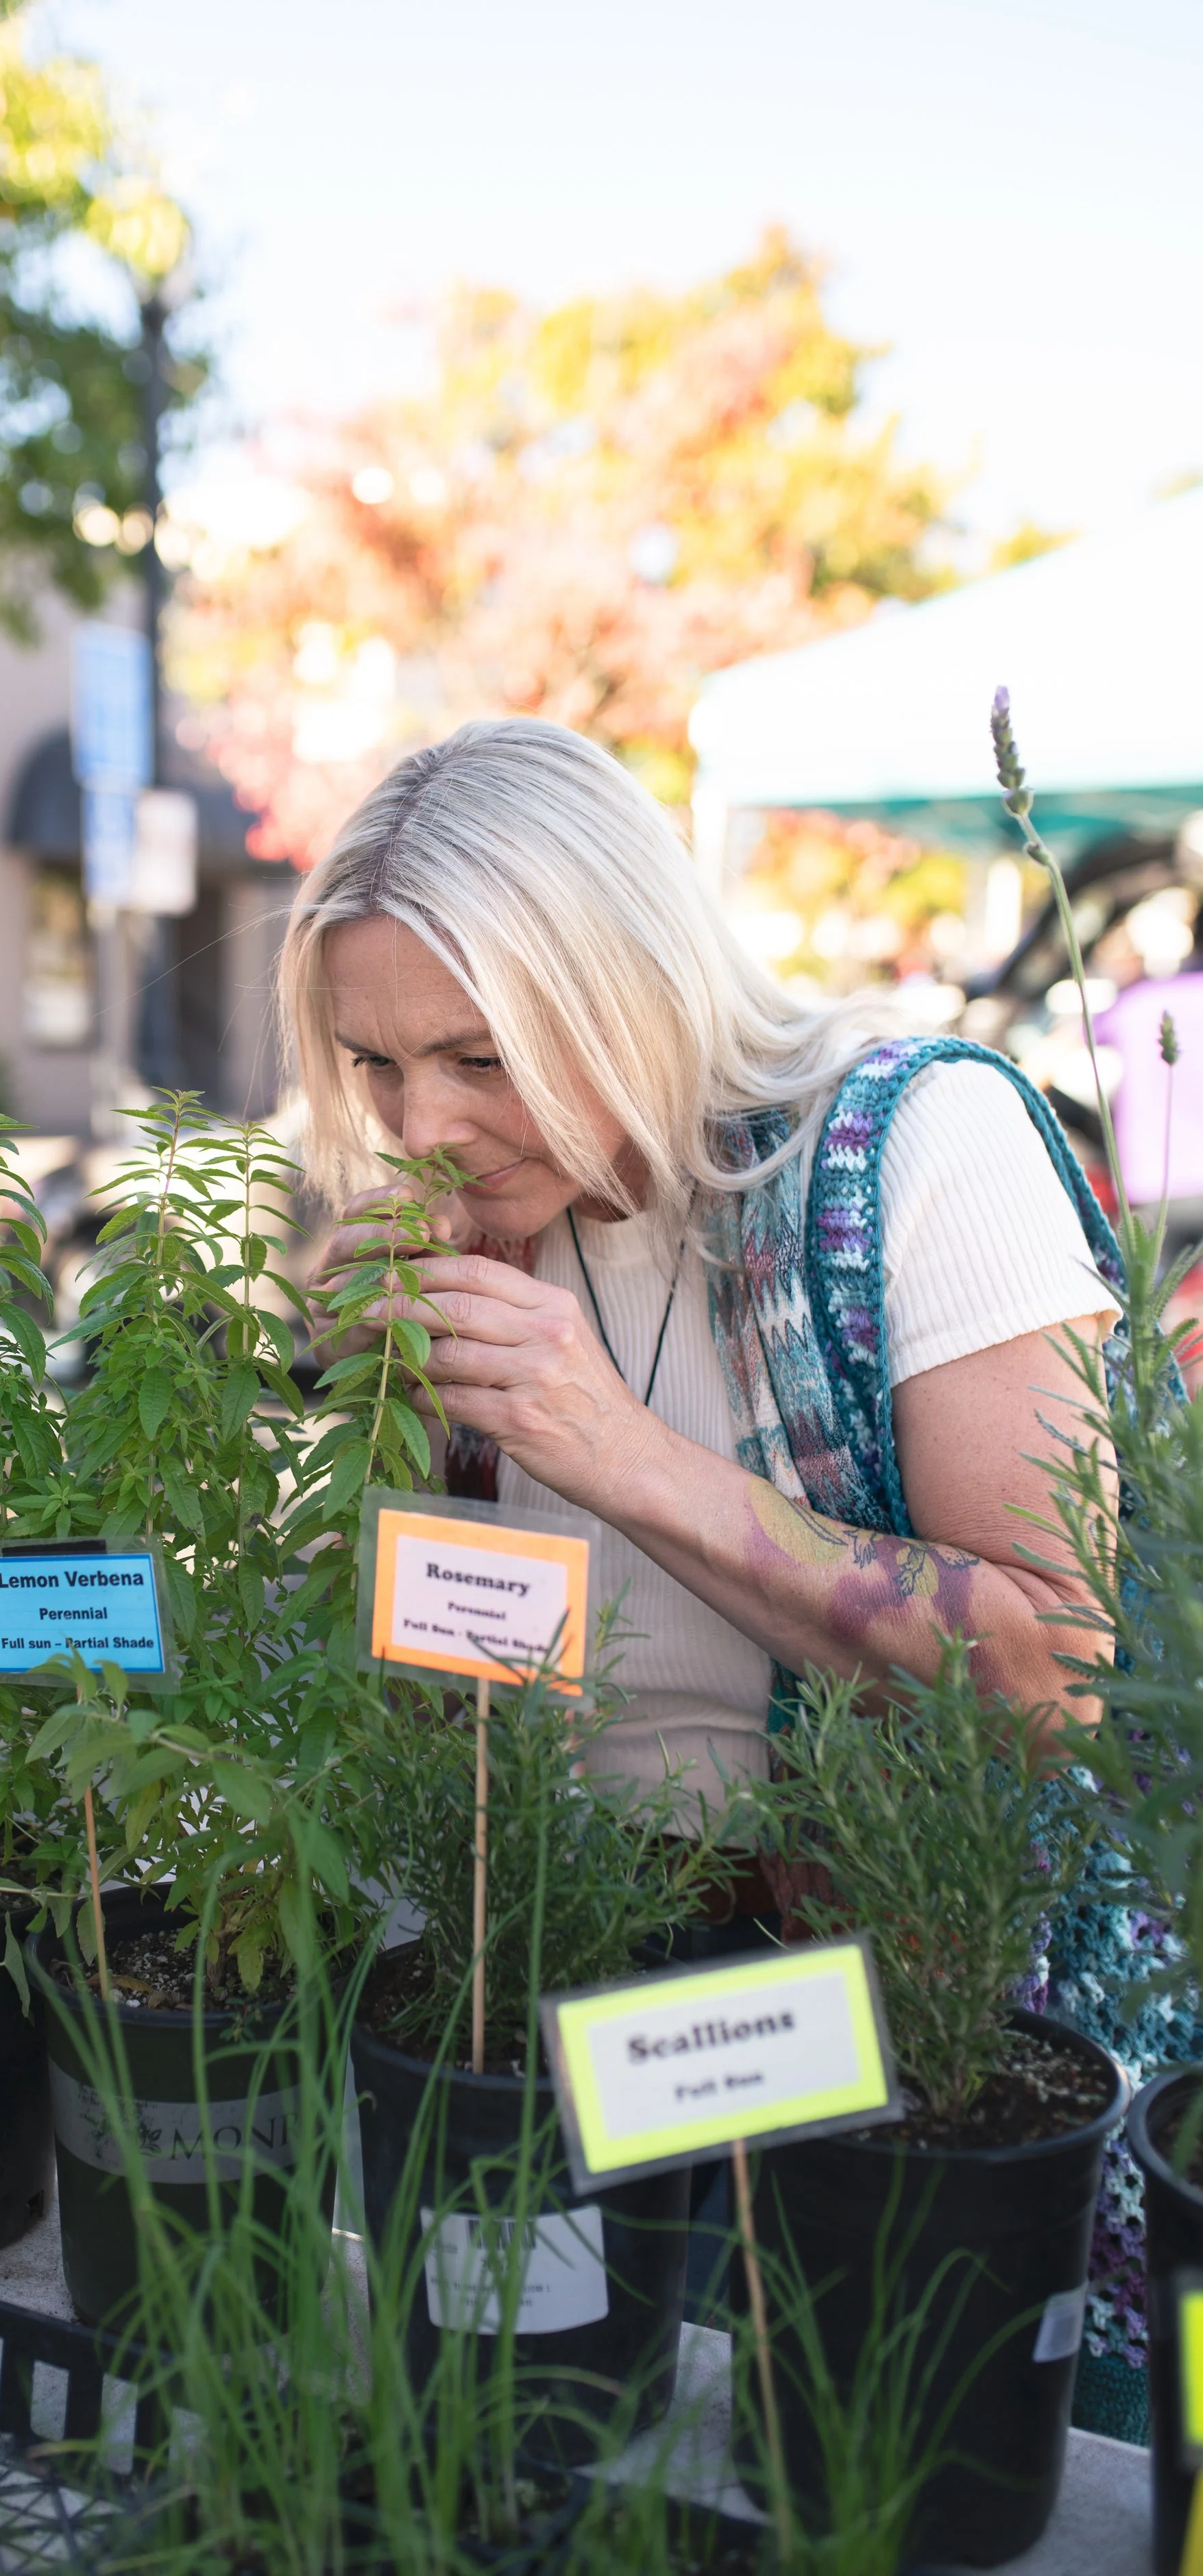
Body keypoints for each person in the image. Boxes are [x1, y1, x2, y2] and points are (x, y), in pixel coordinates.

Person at [282, 716, 1167, 2441]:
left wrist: (615, 1452)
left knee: (821, 2475)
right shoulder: (465, 1221)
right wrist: (371, 1453)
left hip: (878, 2029)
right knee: (528, 2468)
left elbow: (1051, 1665)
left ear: (624, 984)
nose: (424, 1127)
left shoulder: (910, 1146)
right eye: (374, 1069)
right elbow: (460, 1650)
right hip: (536, 1984)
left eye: (480, 1056)